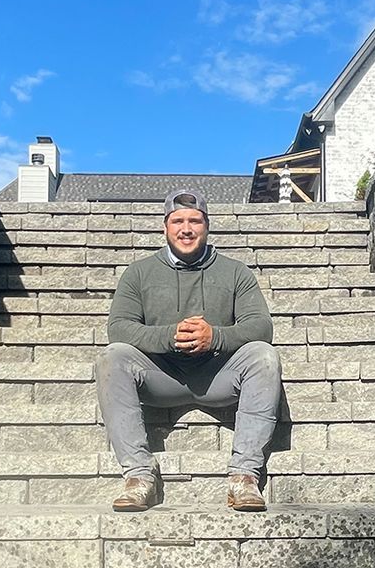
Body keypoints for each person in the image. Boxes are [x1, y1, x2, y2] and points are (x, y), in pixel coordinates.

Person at [95, 189, 282, 512]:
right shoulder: (138, 273)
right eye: (177, 221)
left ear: (207, 227)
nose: (186, 228)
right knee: (112, 357)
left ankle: (244, 477)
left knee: (264, 356)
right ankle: (139, 476)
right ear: (165, 227)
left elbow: (261, 327)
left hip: (217, 377)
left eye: (195, 221)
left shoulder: (236, 272)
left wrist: (215, 337)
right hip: (161, 376)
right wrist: (169, 336)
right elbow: (119, 328)